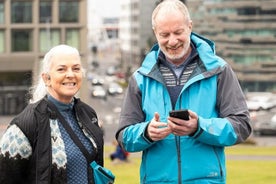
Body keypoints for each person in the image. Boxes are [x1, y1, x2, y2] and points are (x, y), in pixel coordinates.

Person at [115, 0, 252, 183]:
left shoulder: (219, 71)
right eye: (164, 34)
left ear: (190, 27)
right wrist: (146, 132)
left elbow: (241, 126)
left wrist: (199, 127)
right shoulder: (140, 78)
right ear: (155, 33)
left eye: (178, 32)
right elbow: (124, 137)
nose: (172, 41)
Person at [0, 45, 104, 183]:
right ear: (46, 78)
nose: (70, 74)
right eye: (61, 69)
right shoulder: (24, 125)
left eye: (76, 68)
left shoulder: (89, 114)